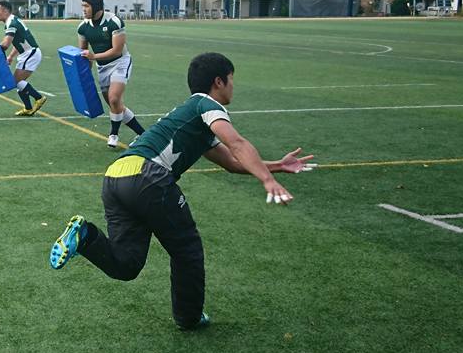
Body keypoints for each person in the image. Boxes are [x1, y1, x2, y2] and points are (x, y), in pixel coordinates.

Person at [49, 52, 317, 330]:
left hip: (115, 177)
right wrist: (267, 180)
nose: (233, 86)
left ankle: (85, 236)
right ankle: (189, 318)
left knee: (126, 265)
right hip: (147, 177)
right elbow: (237, 144)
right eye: (231, 79)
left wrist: (277, 166)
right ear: (218, 82)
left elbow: (232, 162)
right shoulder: (206, 105)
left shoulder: (192, 118)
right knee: (187, 249)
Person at [77, 0, 146, 148]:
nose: (84, 9)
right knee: (115, 106)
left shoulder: (114, 22)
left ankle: (113, 134)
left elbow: (117, 50)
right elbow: (83, 53)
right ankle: (144, 134)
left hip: (120, 62)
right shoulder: (82, 27)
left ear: (96, 6)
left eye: (86, 6)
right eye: (83, 6)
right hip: (102, 67)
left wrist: (93, 56)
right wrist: (84, 76)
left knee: (114, 99)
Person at [0, 0, 47, 116]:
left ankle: (39, 98)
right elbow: (18, 42)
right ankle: (28, 108)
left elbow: (5, 45)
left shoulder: (11, 23)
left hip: (30, 53)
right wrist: (11, 56)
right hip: (27, 53)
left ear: (5, 11)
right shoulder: (12, 21)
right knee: (18, 82)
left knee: (16, 81)